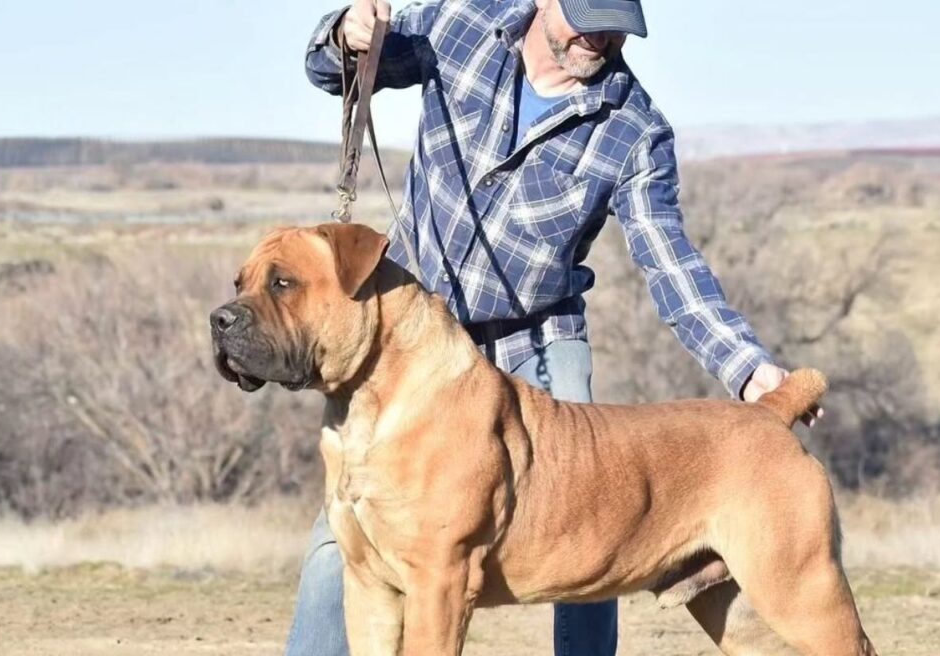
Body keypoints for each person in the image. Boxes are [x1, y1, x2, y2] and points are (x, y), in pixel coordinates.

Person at [289, 0, 821, 654]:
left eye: (616, 25)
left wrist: (747, 367)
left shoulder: (632, 127)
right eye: (587, 15)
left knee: (595, 520)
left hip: (532, 337)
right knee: (341, 541)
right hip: (410, 338)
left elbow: (669, 262)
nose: (599, 36)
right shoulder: (460, 25)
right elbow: (333, 70)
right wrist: (348, 32)